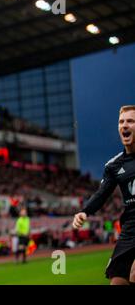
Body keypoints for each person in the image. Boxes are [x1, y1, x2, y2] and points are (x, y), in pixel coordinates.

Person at [72, 105, 135, 285]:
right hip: (129, 231)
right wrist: (85, 211)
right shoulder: (114, 165)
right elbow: (102, 193)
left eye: (130, 121)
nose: (124, 125)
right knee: (117, 282)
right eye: (121, 122)